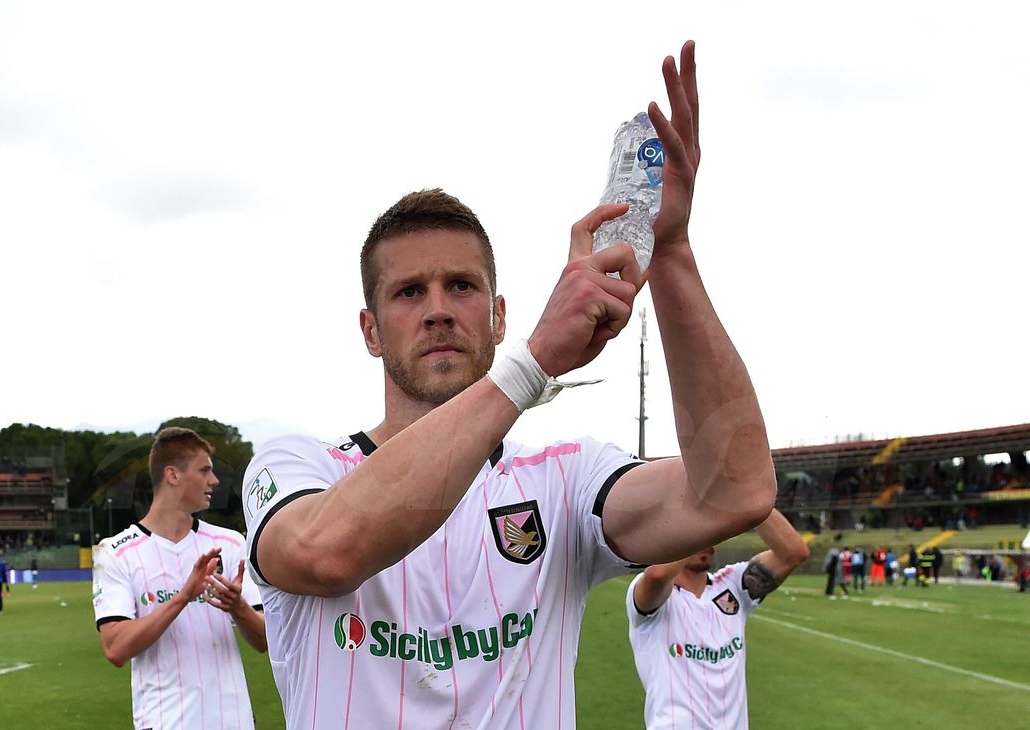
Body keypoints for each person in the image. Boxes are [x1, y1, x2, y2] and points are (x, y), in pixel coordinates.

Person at [242, 41, 777, 729]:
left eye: (461, 286)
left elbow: (736, 490)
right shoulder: (296, 467)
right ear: (371, 331)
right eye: (409, 292)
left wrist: (668, 250)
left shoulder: (564, 480)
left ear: (497, 317)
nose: (438, 308)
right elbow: (326, 552)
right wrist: (529, 367)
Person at [93, 427, 268, 729]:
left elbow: (266, 639)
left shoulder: (231, 543)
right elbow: (115, 649)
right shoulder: (114, 552)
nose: (214, 481)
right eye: (204, 471)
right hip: (164, 721)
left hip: (232, 721)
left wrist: (238, 607)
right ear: (173, 476)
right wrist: (184, 596)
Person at [625, 509, 809, 729]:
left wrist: (747, 496)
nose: (708, 539)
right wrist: (697, 524)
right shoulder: (651, 594)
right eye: (700, 533)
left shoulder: (732, 585)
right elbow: (658, 575)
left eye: (711, 534)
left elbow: (793, 553)